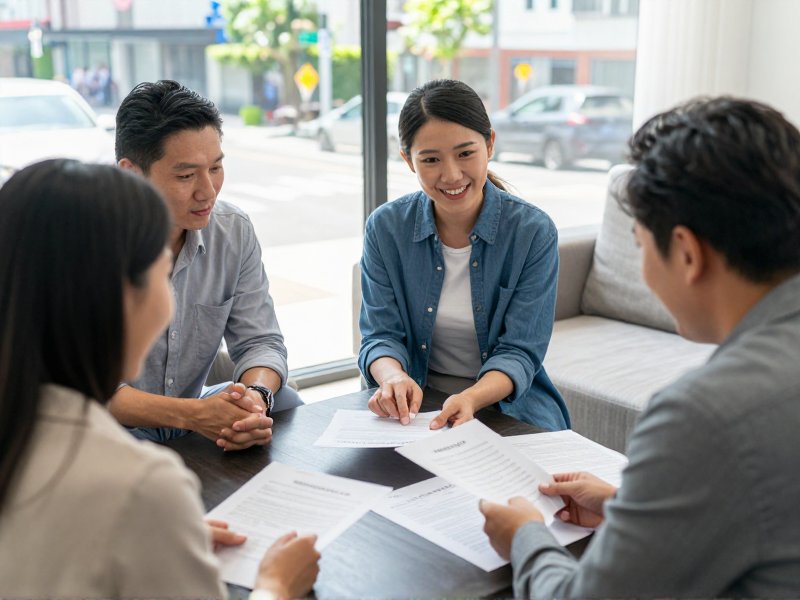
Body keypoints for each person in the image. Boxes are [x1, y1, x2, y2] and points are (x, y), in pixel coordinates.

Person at [480, 97, 800, 597]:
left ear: (688, 254)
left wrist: (525, 538)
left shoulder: (703, 414)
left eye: (640, 244)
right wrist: (629, 504)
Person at [0, 159, 319, 598]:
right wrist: (276, 585)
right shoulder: (143, 483)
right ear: (120, 294)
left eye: (216, 167)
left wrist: (161, 535)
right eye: (159, 262)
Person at [359, 79, 570, 432]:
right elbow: (380, 335)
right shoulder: (385, 228)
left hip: (506, 403)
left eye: (465, 153)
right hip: (415, 404)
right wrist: (393, 376)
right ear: (409, 161)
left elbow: (521, 351)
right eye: (430, 159)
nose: (451, 174)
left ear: (489, 143)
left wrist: (470, 398)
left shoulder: (533, 232)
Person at [110, 80, 303, 451]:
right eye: (185, 176)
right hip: (107, 431)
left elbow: (260, 341)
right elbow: (82, 391)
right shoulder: (83, 244)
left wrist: (255, 398)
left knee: (287, 404)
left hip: (188, 416)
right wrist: (192, 414)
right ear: (130, 173)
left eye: (215, 168)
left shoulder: (232, 230)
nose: (208, 191)